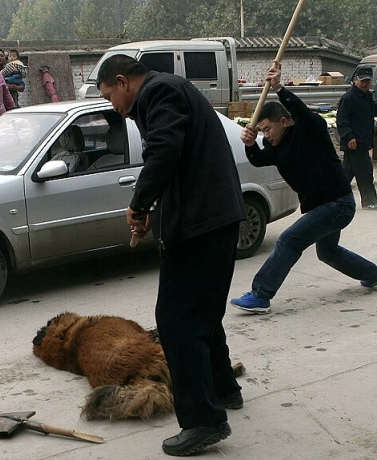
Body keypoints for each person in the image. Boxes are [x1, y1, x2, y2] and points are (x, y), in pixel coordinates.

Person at [95, 54, 245, 456]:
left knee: (177, 322)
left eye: (111, 97)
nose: (116, 108)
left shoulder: (159, 92)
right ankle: (224, 389)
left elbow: (164, 151)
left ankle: (203, 421)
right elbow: (177, 161)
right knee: (203, 315)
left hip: (201, 225)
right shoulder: (171, 90)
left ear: (124, 82)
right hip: (212, 218)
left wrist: (140, 203)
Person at [230, 61, 377, 314]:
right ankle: (374, 274)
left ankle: (261, 295)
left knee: (288, 240)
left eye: (267, 129)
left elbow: (304, 114)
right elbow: (259, 159)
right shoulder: (276, 147)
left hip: (337, 204)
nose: (266, 135)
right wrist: (251, 144)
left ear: (283, 121)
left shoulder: (310, 130)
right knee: (328, 253)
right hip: (321, 207)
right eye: (261, 131)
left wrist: (280, 88)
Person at [336, 65, 377, 211]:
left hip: (363, 140)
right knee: (365, 171)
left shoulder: (367, 96)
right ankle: (370, 201)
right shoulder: (349, 98)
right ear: (356, 80)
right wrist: (349, 137)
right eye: (362, 81)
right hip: (354, 142)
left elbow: (374, 110)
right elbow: (342, 121)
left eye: (367, 81)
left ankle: (332, 197)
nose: (364, 84)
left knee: (347, 172)